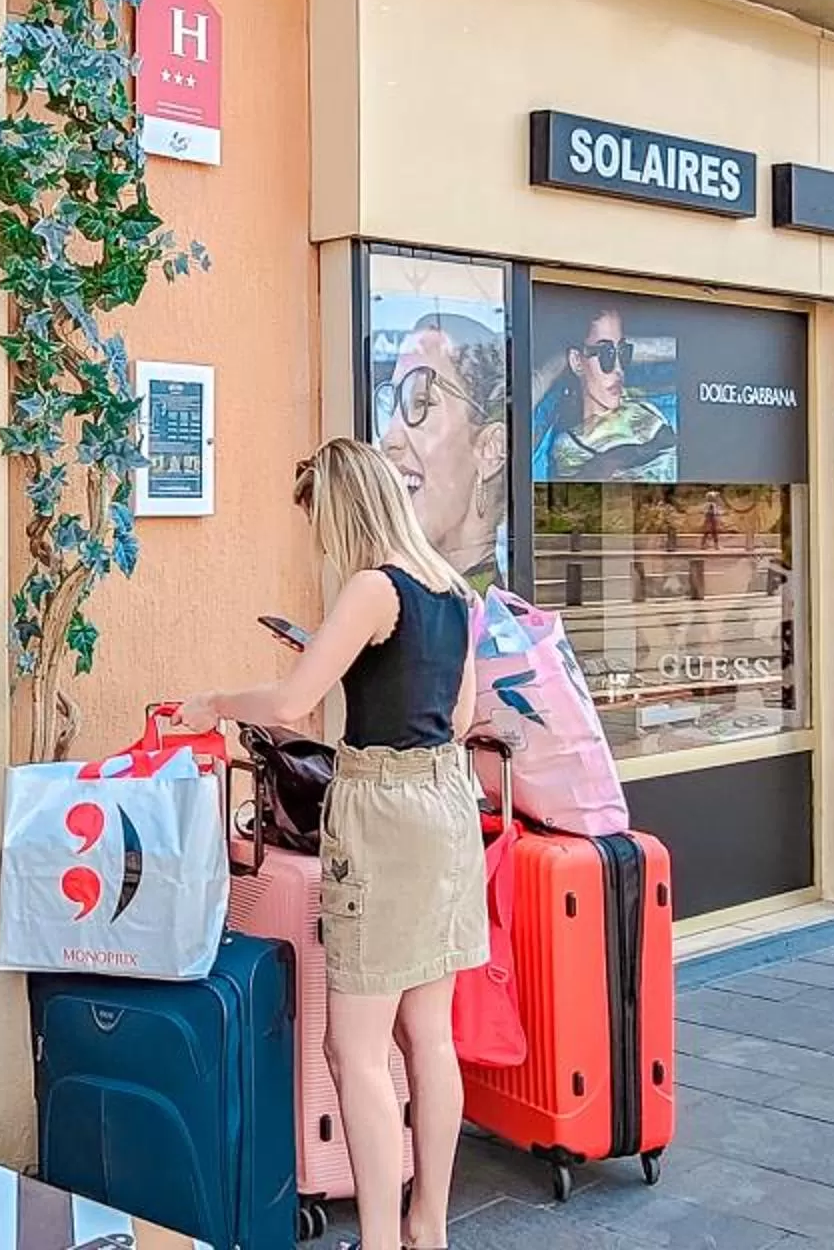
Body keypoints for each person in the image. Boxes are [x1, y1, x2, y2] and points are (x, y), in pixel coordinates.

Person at [164, 439, 488, 1250]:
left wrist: (213, 702)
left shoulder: (372, 586)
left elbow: (294, 703)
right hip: (449, 804)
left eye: (319, 522)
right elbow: (454, 716)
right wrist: (341, 658)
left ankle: (378, 1240)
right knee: (431, 1038)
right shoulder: (452, 588)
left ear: (343, 511)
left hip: (385, 817)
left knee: (356, 1049)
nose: (318, 542)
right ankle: (429, 1228)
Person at [376, 312, 510, 588]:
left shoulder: (496, 620)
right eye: (392, 407)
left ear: (490, 448)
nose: (390, 438)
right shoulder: (411, 594)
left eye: (422, 403)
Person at [533, 303, 677, 482]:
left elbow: (684, 350)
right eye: (605, 354)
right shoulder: (570, 447)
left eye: (623, 353)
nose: (618, 369)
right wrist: (556, 365)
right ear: (576, 361)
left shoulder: (641, 401)